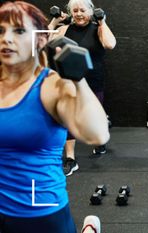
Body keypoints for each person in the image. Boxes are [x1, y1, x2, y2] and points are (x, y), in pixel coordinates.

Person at [0, 1, 108, 232]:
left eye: (19, 31)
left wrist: (78, 81)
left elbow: (97, 134)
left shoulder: (50, 86)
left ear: (39, 40)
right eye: (1, 30)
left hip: (38, 207)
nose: (7, 38)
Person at [48, 0, 116, 176]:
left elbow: (110, 44)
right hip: (69, 81)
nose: (78, 14)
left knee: (94, 116)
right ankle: (70, 158)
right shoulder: (64, 29)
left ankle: (99, 141)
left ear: (91, 11)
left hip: (94, 81)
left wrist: (102, 21)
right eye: (75, 10)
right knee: (68, 117)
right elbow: (44, 41)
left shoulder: (98, 28)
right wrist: (55, 22)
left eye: (82, 10)